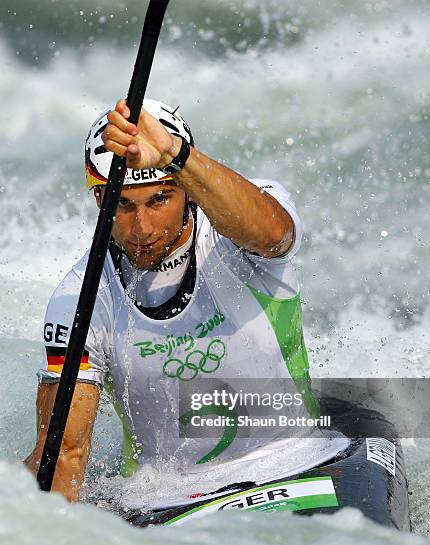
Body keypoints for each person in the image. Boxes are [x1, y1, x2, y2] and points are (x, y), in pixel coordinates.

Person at [24, 99, 348, 504]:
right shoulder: (79, 299)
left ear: (186, 190)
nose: (141, 227)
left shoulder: (237, 230)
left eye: (159, 199)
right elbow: (63, 457)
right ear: (98, 201)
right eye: (123, 204)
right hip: (164, 500)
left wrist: (174, 154)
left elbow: (274, 234)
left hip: (295, 462)